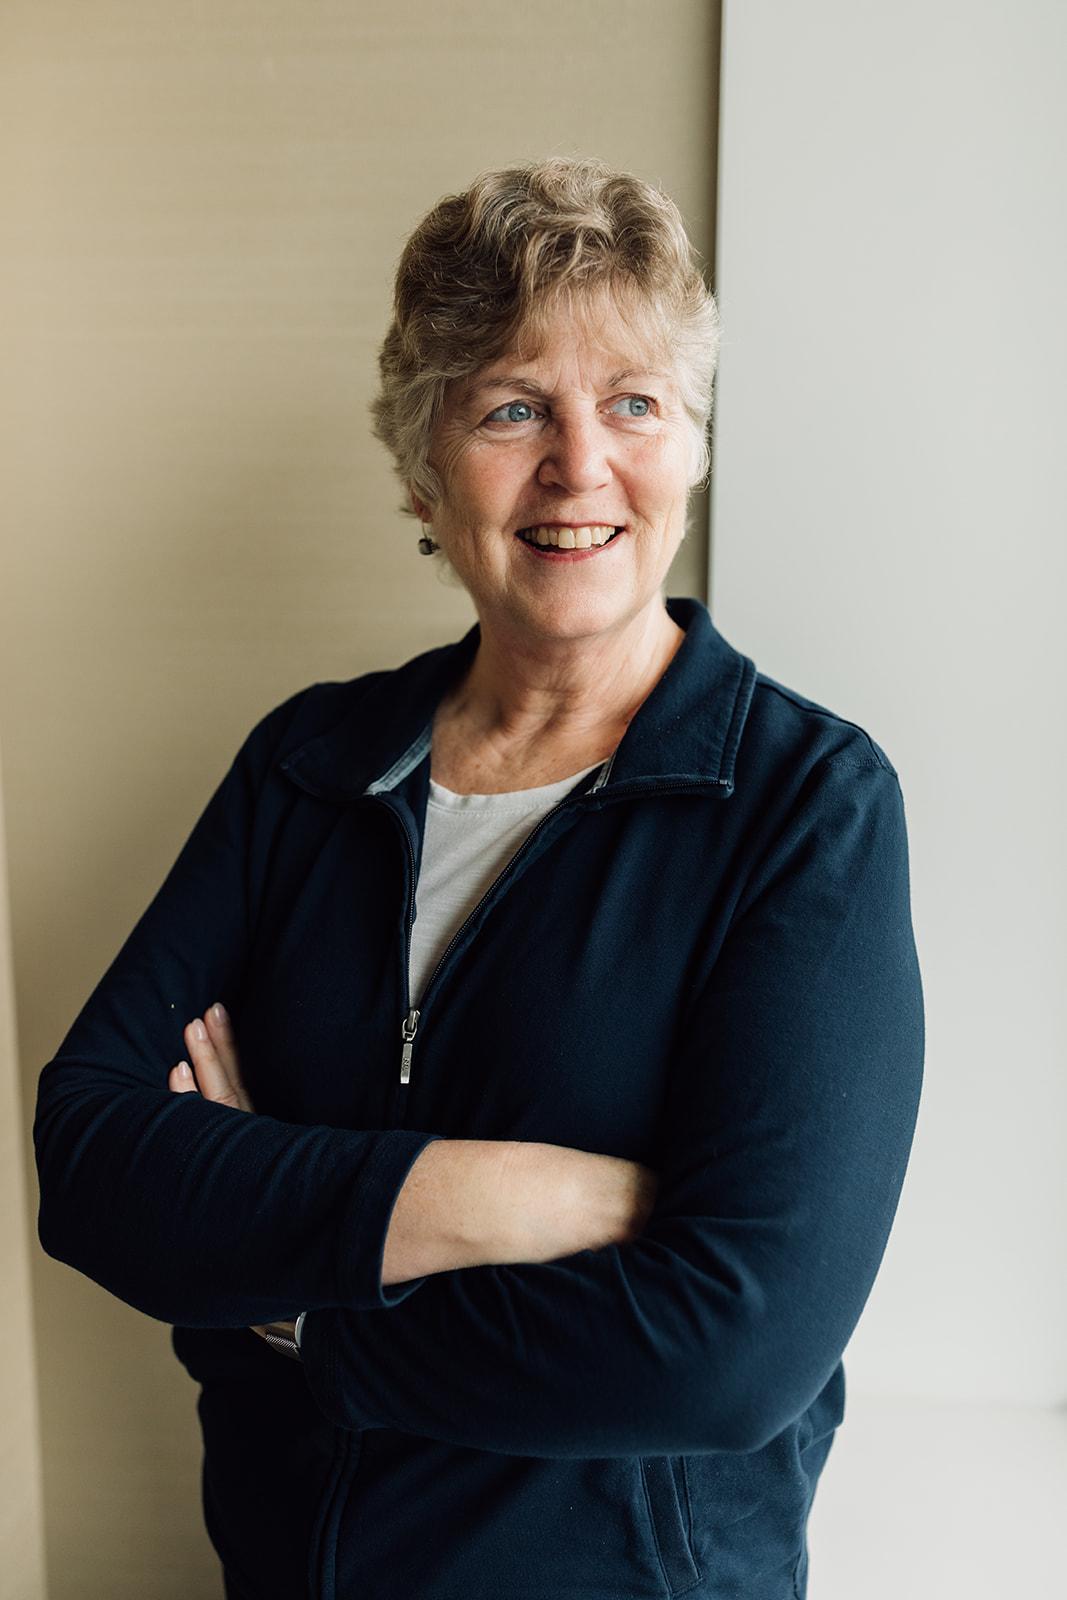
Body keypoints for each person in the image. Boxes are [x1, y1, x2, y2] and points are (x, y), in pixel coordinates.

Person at [33, 156, 925, 1600]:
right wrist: (499, 1199)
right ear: (422, 463)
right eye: (513, 408)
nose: (582, 466)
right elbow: (85, 1159)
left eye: (633, 402)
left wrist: (291, 1306)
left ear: (691, 443)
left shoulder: (805, 803)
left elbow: (732, 1350)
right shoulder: (310, 764)